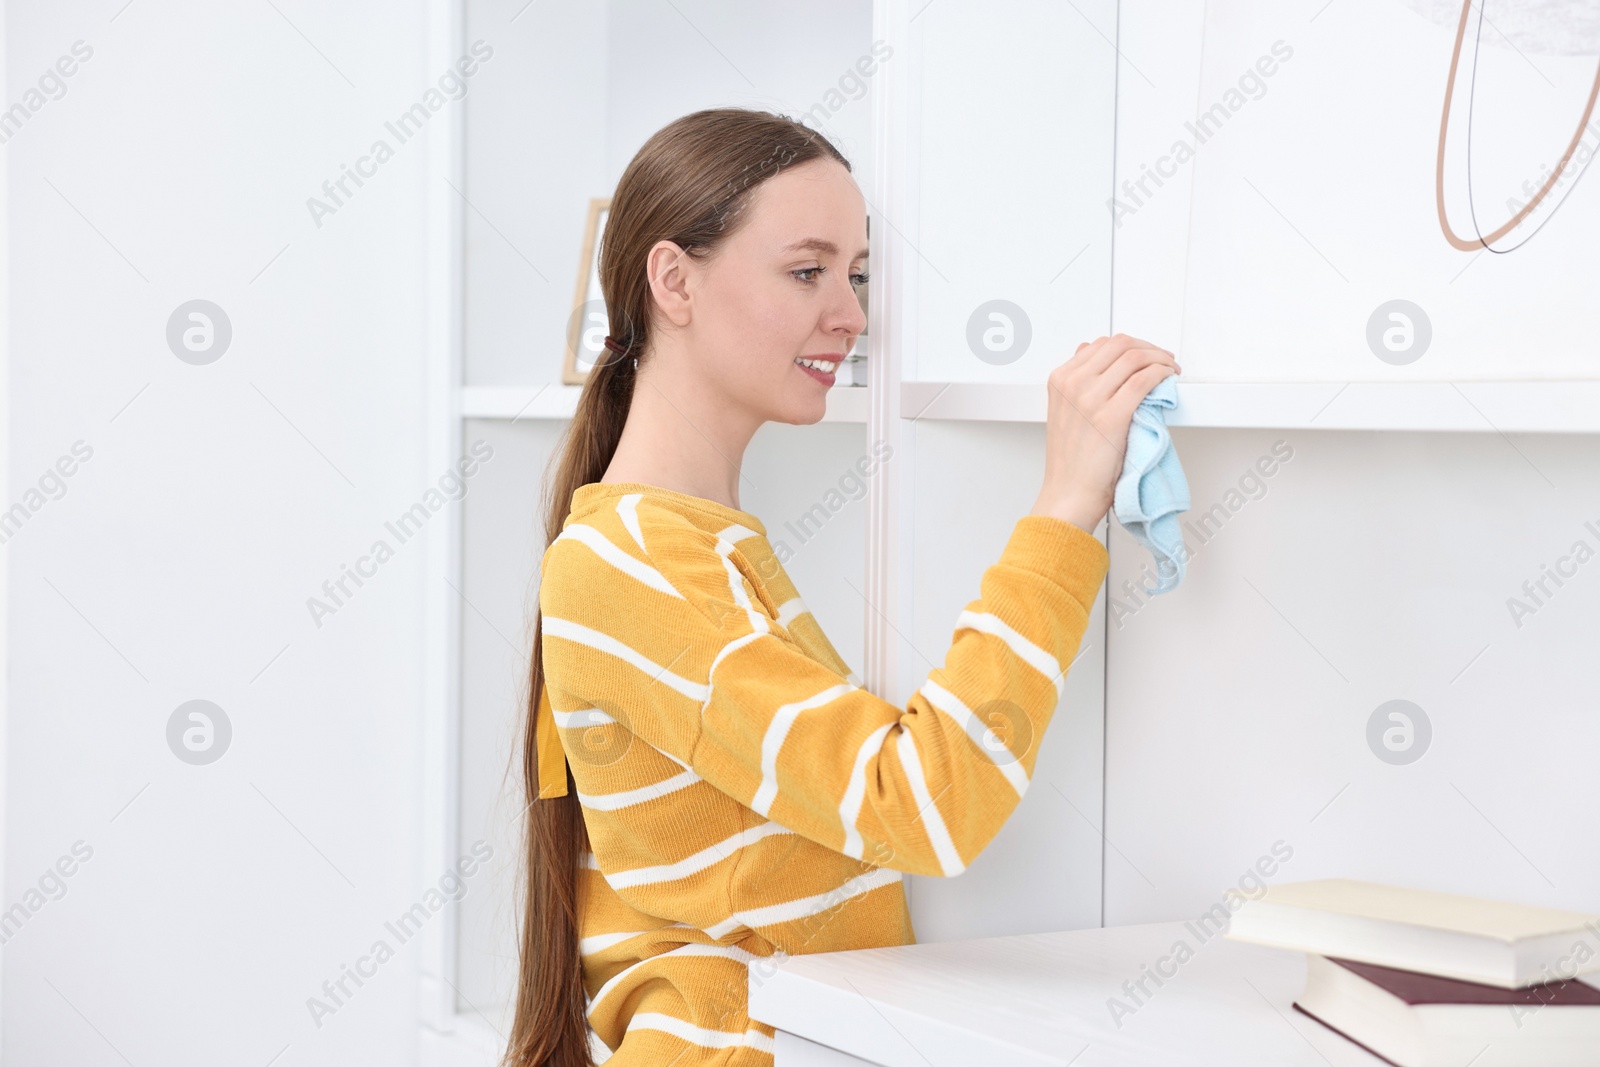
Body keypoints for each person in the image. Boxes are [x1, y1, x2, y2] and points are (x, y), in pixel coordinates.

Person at [503, 107, 1180, 1067]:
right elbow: (922, 804)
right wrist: (1064, 507)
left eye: (855, 275)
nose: (852, 314)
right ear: (673, 281)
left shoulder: (691, 547)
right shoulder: (633, 564)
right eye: (807, 271)